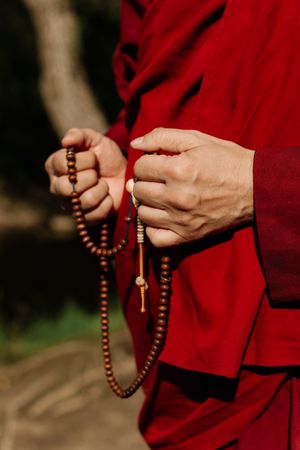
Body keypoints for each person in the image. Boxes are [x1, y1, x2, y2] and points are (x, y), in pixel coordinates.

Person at [45, 0, 300, 448]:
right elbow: (153, 90)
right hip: (176, 326)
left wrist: (260, 187)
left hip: (282, 328)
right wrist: (124, 164)